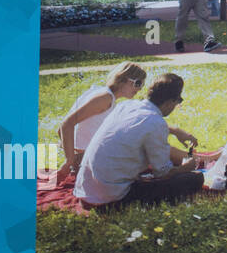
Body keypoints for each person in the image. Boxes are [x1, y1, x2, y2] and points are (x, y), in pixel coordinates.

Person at [73, 73, 203, 207]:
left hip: (86, 190)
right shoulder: (156, 123)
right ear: (171, 101)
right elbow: (163, 173)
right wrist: (185, 168)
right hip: (111, 198)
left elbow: (142, 123)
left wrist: (176, 131)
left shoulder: (126, 106)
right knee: (195, 178)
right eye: (178, 101)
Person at [59, 62, 151, 174]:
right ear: (123, 79)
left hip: (90, 156)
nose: (140, 89)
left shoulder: (102, 94)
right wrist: (70, 161)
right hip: (90, 159)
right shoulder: (104, 98)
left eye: (142, 85)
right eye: (138, 83)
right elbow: (66, 124)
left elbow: (61, 130)